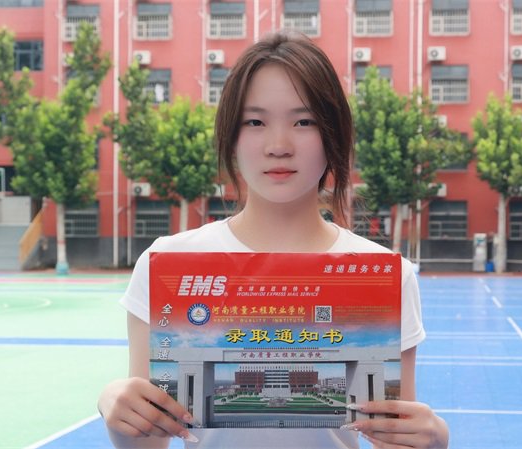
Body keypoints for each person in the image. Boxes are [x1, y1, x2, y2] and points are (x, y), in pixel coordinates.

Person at [98, 30, 449, 449]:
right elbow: (148, 443)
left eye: (304, 122)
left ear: (333, 135)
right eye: (255, 122)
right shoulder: (167, 264)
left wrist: (431, 441)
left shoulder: (384, 275)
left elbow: (392, 433)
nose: (278, 146)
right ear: (231, 136)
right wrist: (119, 414)